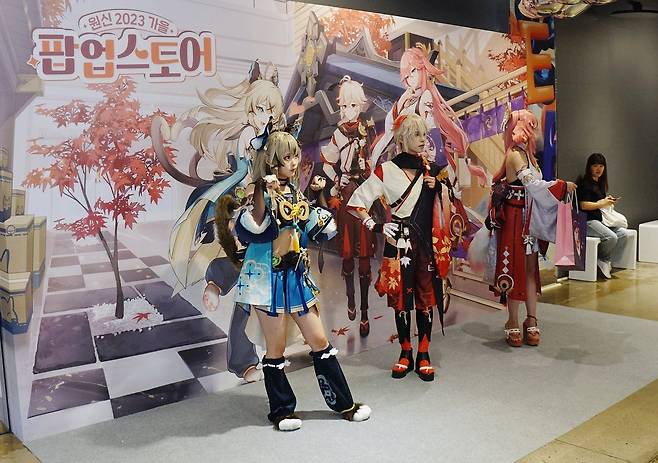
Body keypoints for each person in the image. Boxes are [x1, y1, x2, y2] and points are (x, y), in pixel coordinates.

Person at [216, 130, 371, 431]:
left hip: (296, 278)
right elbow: (255, 226)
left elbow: (315, 226)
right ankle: (282, 412)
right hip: (267, 282)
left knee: (320, 341)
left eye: (295, 156)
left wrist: (319, 195)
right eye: (286, 157)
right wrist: (262, 189)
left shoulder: (296, 193)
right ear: (272, 160)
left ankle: (344, 404)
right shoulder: (259, 192)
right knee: (275, 349)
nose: (294, 162)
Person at [347, 113, 457, 382]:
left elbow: (450, 202)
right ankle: (405, 351)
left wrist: (438, 187)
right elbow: (356, 202)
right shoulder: (386, 170)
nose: (423, 140)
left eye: (424, 134)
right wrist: (376, 225)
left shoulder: (431, 170)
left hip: (426, 245)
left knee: (425, 299)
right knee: (401, 302)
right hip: (399, 243)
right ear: (403, 138)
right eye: (417, 134)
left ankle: (424, 352)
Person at [488, 109, 577, 347]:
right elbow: (533, 185)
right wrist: (561, 186)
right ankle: (512, 320)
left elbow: (534, 187)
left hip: (528, 219)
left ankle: (531, 318)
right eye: (529, 126)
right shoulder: (515, 156)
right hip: (515, 220)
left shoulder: (527, 156)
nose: (532, 132)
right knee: (514, 269)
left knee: (529, 270)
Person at [319, 75, 377, 336]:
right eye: (344, 106)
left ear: (360, 105)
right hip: (345, 196)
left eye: (353, 105)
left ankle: (364, 311)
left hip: (362, 195)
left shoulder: (367, 130)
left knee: (364, 256)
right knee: (347, 255)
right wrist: (336, 180)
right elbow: (326, 165)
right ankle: (351, 297)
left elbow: (373, 162)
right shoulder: (337, 134)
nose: (348, 110)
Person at [577, 152, 629, 279]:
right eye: (595, 166)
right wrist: (602, 203)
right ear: (589, 167)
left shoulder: (600, 183)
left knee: (623, 234)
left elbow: (598, 202)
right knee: (611, 237)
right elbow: (583, 205)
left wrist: (607, 200)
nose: (598, 169)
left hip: (600, 220)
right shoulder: (585, 183)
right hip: (587, 221)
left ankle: (604, 260)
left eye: (601, 166)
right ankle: (602, 260)